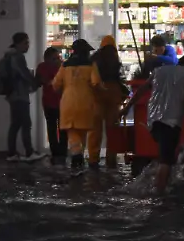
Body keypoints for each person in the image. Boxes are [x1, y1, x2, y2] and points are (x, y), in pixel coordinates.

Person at [145, 55, 184, 194]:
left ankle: (162, 186)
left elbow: (141, 89)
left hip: (152, 122)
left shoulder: (160, 71)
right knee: (166, 161)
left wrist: (125, 109)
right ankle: (159, 193)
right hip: (171, 123)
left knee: (167, 157)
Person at [52, 39, 102, 169]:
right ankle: (79, 157)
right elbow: (96, 83)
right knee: (83, 131)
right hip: (85, 103)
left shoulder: (65, 65)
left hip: (68, 103)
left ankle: (76, 155)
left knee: (72, 131)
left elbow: (56, 84)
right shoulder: (91, 65)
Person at [2, 32, 45, 162]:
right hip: (19, 94)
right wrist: (36, 82)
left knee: (15, 124)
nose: (28, 46)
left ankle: (12, 153)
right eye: (26, 43)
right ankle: (29, 152)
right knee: (26, 123)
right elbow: (24, 73)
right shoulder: (17, 56)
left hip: (12, 94)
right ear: (18, 43)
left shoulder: (9, 56)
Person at [90, 35, 129, 168]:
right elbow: (120, 77)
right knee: (112, 129)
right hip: (113, 94)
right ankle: (111, 158)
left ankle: (93, 158)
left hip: (98, 94)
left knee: (96, 129)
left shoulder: (95, 57)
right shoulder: (115, 57)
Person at [35, 46, 67, 162]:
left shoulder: (61, 68)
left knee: (62, 129)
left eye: (58, 57)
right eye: (55, 58)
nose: (58, 60)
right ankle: (57, 152)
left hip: (60, 102)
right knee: (53, 128)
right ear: (47, 59)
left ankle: (61, 152)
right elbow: (42, 81)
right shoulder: (44, 68)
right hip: (50, 102)